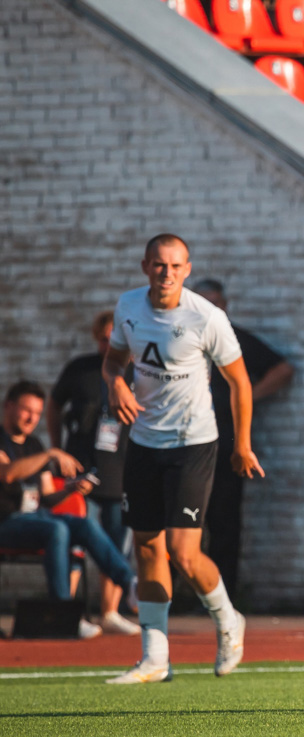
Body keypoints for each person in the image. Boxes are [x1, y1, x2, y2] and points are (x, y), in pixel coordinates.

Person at [102, 234, 264, 684]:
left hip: (193, 442)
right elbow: (113, 362)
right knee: (147, 547)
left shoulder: (206, 317)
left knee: (182, 552)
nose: (167, 273)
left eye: (175, 266)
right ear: (145, 267)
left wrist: (242, 445)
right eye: (159, 265)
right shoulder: (128, 306)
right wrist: (115, 382)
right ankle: (155, 657)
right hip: (143, 442)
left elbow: (240, 382)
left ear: (187, 270)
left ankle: (229, 620)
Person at [0, 380, 137, 638]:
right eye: (26, 410)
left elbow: (47, 497)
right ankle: (64, 614)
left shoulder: (34, 445)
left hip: (35, 519)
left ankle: (130, 584)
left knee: (84, 525)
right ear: (8, 406)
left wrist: (70, 489)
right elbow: (7, 473)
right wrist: (51, 454)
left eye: (37, 413)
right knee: (57, 529)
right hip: (6, 522)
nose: (32, 418)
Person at [191, 278, 294, 598]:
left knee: (224, 522)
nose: (211, 310)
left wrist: (246, 398)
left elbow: (282, 370)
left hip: (225, 447)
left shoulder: (235, 340)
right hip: (185, 447)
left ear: (225, 306)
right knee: (180, 525)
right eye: (204, 304)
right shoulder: (181, 338)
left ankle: (223, 598)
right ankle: (176, 595)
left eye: (216, 304)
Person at [47, 311, 140, 636]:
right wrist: (57, 449)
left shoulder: (139, 371)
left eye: (114, 339)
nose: (108, 345)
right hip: (80, 468)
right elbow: (53, 405)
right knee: (72, 538)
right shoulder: (80, 368)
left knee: (116, 542)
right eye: (103, 339)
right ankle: (68, 612)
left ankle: (109, 612)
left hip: (121, 470)